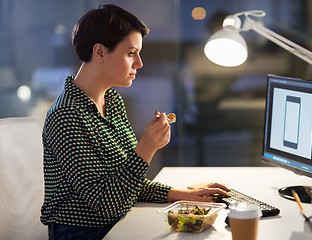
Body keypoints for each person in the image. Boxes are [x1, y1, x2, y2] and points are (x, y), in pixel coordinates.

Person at [40, 4, 229, 240]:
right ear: (99, 52)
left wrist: (183, 193)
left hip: (118, 222)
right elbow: (106, 203)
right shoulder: (66, 116)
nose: (139, 63)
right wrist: (146, 148)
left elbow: (126, 181)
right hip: (84, 233)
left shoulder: (112, 100)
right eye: (131, 53)